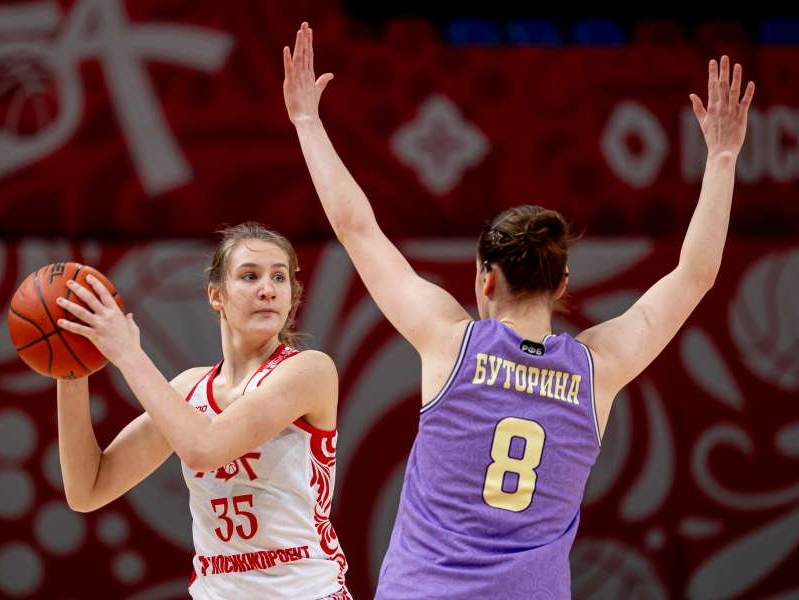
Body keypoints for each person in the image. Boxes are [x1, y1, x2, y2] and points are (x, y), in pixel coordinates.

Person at [283, 21, 753, 599]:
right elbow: (696, 275)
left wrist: (306, 121)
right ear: (562, 284)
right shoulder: (596, 370)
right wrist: (723, 156)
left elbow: (357, 228)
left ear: (486, 278)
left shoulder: (449, 341)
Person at [54, 223, 352, 599]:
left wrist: (128, 352)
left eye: (279, 277)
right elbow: (88, 489)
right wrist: (69, 368)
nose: (268, 289)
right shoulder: (188, 390)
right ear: (216, 295)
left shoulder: (309, 370)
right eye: (250, 276)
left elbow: (204, 449)